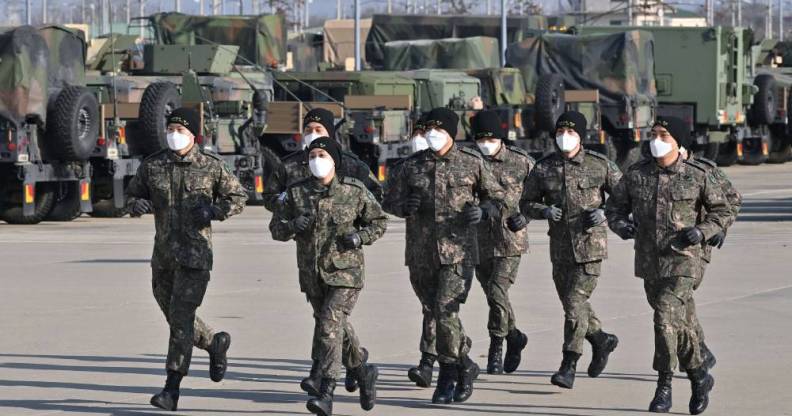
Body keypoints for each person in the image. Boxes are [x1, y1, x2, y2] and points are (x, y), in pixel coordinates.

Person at [606, 117, 732, 414]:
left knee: (664, 317)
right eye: (653, 134)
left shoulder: (698, 174)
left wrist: (703, 231)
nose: (656, 140)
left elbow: (723, 210)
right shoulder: (637, 174)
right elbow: (614, 208)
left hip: (686, 260)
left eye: (663, 135)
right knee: (680, 323)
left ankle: (664, 386)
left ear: (678, 141)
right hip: (650, 261)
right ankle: (700, 374)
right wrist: (622, 226)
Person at [126, 107, 247, 411]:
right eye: (171, 130)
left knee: (180, 319)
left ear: (194, 135)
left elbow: (238, 197)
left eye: (180, 131)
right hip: (163, 257)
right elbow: (131, 194)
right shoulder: (153, 166)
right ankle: (213, 342)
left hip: (195, 257)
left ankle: (171, 388)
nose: (174, 135)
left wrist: (214, 212)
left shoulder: (210, 166)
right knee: (174, 315)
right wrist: (136, 204)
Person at [382, 107, 504, 404]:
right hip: (421, 253)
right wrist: (403, 207)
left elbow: (497, 197)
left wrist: (484, 210)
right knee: (436, 311)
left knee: (445, 310)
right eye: (428, 129)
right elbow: (387, 200)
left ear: (452, 133)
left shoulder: (471, 162)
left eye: (439, 129)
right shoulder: (411, 166)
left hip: (458, 253)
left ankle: (448, 375)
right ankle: (466, 363)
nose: (431, 134)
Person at [270, 137, 387, 416]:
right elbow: (276, 228)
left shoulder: (354, 191)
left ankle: (326, 392)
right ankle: (362, 369)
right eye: (312, 155)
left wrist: (360, 237)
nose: (316, 160)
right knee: (335, 328)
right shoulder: (296, 193)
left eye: (322, 155)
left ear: (334, 159)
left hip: (345, 272)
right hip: (312, 274)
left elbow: (380, 221)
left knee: (329, 324)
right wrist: (291, 226)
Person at [517, 111, 621, 389]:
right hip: (560, 249)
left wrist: (604, 213)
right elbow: (525, 203)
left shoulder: (600, 165)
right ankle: (601, 339)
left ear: (582, 137)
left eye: (571, 133)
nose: (565, 137)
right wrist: (543, 210)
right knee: (573, 305)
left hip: (590, 248)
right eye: (560, 132)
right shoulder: (544, 168)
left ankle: (568, 363)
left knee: (574, 304)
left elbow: (625, 198)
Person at [665, 116, 742, 370]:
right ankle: (700, 349)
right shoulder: (659, 172)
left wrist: (717, 229)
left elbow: (732, 201)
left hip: (697, 247)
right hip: (669, 250)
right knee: (680, 302)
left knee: (677, 301)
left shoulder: (704, 171)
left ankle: (695, 359)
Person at [470, 110, 534, 375]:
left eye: (490, 137)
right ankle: (515, 336)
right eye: (480, 138)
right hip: (479, 240)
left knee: (497, 291)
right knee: (494, 297)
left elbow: (541, 194)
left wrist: (527, 215)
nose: (486, 142)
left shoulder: (522, 162)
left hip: (510, 239)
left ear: (500, 138)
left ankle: (496, 346)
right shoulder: (470, 162)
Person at [262, 108, 382, 212]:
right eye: (308, 130)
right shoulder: (289, 165)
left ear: (329, 133)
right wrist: (289, 211)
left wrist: (355, 213)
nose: (312, 134)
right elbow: (270, 196)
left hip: (344, 235)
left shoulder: (350, 164)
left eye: (318, 130)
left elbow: (376, 192)